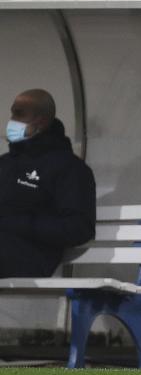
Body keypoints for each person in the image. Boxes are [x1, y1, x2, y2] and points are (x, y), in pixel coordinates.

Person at [0, 89, 95, 278]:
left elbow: (79, 227)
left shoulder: (70, 168)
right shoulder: (5, 163)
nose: (12, 120)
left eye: (19, 114)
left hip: (30, 255)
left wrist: (20, 223)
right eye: (12, 113)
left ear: (41, 122)